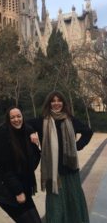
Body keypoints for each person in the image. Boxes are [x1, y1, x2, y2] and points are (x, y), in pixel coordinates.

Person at [28, 90, 93, 223]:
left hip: (70, 169)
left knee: (74, 202)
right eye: (53, 100)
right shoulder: (41, 121)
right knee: (55, 206)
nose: (56, 103)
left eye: (59, 100)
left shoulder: (70, 120)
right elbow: (23, 125)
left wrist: (76, 146)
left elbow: (88, 132)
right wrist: (30, 133)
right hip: (53, 172)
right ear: (49, 103)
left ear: (63, 103)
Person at [0, 106, 42, 223]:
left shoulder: (25, 133)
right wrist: (18, 192)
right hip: (8, 191)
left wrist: (35, 143)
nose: (16, 119)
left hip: (23, 188)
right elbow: (5, 168)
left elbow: (32, 164)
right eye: (12, 117)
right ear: (8, 120)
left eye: (19, 116)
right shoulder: (2, 134)